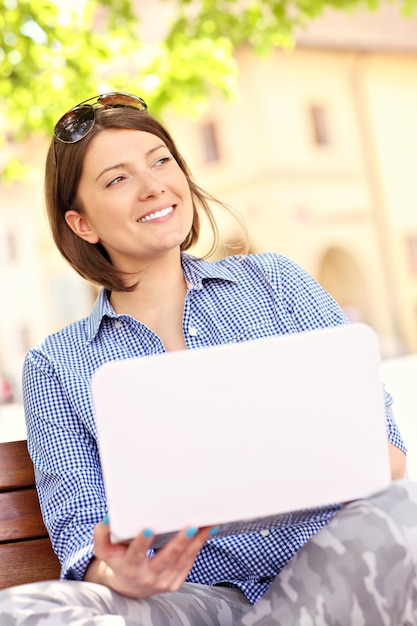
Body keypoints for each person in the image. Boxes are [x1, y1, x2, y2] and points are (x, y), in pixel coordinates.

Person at [0, 92, 416, 626]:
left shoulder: (276, 283)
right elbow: (83, 540)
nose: (154, 186)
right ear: (82, 224)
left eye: (160, 161)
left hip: (334, 577)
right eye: (118, 179)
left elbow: (390, 460)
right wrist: (119, 575)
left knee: (405, 514)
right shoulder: (56, 365)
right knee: (22, 612)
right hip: (193, 605)